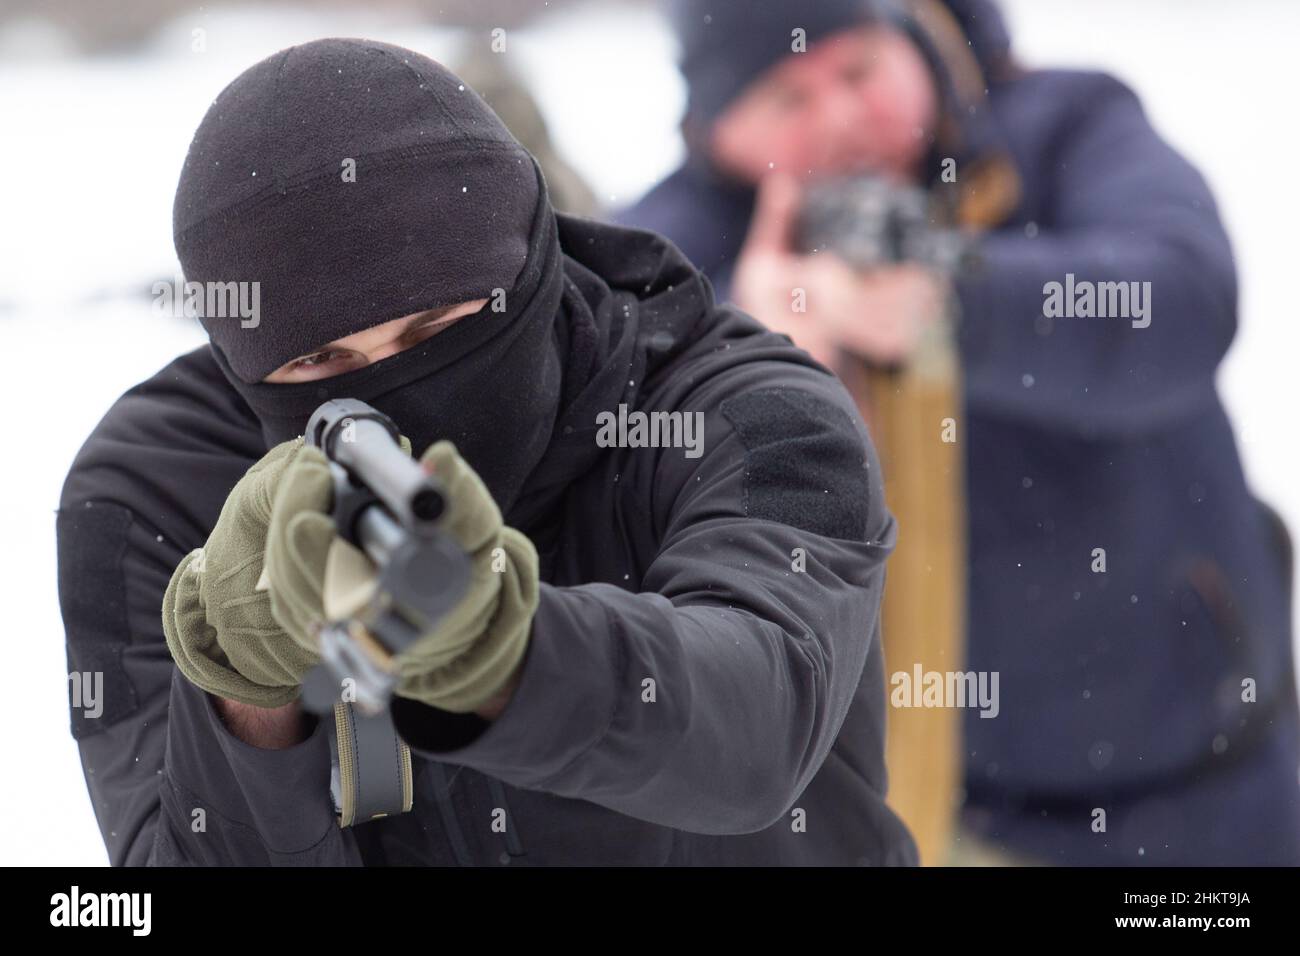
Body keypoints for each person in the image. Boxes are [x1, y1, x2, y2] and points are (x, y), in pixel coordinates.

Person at [56, 38, 917, 866]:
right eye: (322, 361)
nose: (396, 386)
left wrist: (503, 653)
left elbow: (753, 726)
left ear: (531, 268)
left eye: (439, 328)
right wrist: (244, 686)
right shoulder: (150, 491)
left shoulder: (746, 411)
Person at [617, 0, 1300, 864]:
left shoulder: (1063, 126)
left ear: (911, 44)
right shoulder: (671, 246)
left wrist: (952, 304)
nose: (839, 117)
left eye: (860, 72)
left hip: (1198, 791)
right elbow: (609, 435)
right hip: (925, 809)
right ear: (716, 132)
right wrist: (748, 349)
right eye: (788, 99)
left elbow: (1184, 301)